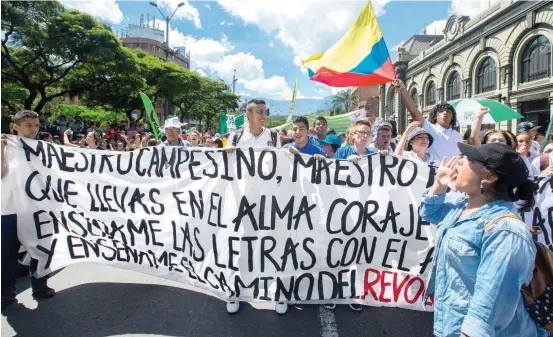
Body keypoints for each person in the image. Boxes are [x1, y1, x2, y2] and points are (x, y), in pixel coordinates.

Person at [420, 142, 546, 337]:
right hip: (450, 324)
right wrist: (439, 185)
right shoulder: (463, 206)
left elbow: (489, 308)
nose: (459, 162)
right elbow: (430, 213)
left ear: (489, 176)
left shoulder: (505, 232)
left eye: (469, 160)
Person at [225, 99, 282, 315]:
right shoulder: (236, 137)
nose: (263, 115)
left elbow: (282, 167)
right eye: (259, 111)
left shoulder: (274, 137)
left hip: (268, 202)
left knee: (270, 244)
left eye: (265, 111)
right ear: (248, 115)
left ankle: (276, 290)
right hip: (242, 202)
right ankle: (235, 290)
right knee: (240, 245)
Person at [2, 110, 55, 311]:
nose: (33, 129)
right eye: (28, 125)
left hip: (36, 209)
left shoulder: (43, 148)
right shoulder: (6, 146)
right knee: (6, 255)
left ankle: (40, 285)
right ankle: (5, 295)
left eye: (36, 125)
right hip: (8, 210)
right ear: (15, 127)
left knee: (40, 249)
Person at [393, 79, 462, 160]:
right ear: (435, 116)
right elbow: (413, 110)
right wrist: (402, 89)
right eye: (441, 111)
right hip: (433, 171)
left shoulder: (458, 136)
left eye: (448, 111)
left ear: (452, 116)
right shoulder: (429, 128)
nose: (445, 113)